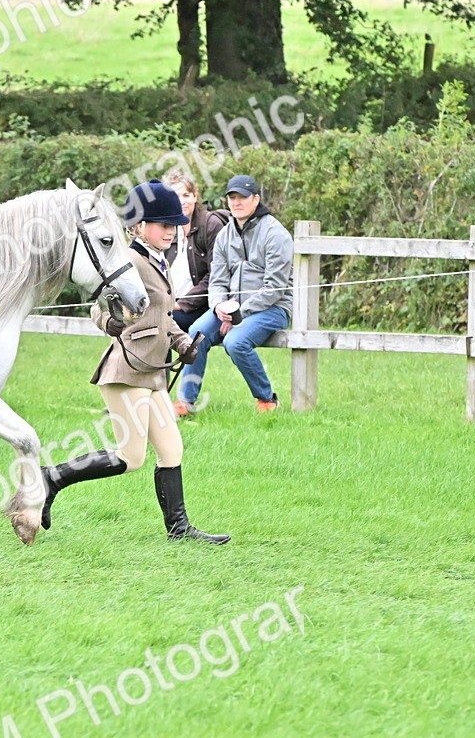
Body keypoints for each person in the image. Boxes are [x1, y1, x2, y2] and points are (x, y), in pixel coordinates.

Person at [40, 179, 230, 544]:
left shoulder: (160, 260)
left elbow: (164, 316)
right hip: (127, 370)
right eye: (163, 225)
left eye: (174, 226)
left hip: (153, 373)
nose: (171, 232)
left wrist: (183, 342)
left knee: (172, 448)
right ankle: (52, 477)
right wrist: (109, 322)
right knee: (131, 457)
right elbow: (97, 307)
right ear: (138, 226)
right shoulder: (128, 259)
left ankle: (179, 530)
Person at [175, 174, 293, 415]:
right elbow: (216, 281)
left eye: (243, 197)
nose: (236, 202)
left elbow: (275, 288)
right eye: (232, 197)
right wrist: (219, 305)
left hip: (273, 308)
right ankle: (186, 402)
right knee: (195, 334)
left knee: (235, 341)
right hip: (229, 309)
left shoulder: (275, 233)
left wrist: (237, 315)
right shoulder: (225, 235)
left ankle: (267, 400)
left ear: (256, 199)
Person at [163, 170, 226, 334]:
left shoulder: (211, 225)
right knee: (150, 321)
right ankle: (156, 361)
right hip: (168, 304)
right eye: (175, 196)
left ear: (195, 196)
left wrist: (181, 304)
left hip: (200, 307)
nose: (181, 201)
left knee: (161, 322)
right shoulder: (166, 227)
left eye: (186, 195)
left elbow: (215, 276)